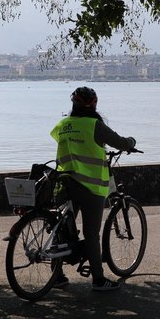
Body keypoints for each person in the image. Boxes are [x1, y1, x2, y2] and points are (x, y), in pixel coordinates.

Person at [50, 86, 137, 292]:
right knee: (91, 233)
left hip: (63, 182)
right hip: (89, 187)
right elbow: (121, 142)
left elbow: (60, 140)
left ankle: (57, 275)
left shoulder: (62, 124)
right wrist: (131, 142)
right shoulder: (94, 125)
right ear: (93, 104)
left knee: (60, 229)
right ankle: (98, 279)